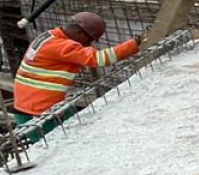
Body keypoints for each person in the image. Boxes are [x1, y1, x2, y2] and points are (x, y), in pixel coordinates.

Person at [11, 11, 140, 133]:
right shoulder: (62, 46)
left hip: (32, 104)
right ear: (79, 33)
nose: (88, 45)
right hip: (37, 113)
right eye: (89, 40)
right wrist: (135, 44)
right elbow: (99, 59)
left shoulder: (49, 36)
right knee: (57, 148)